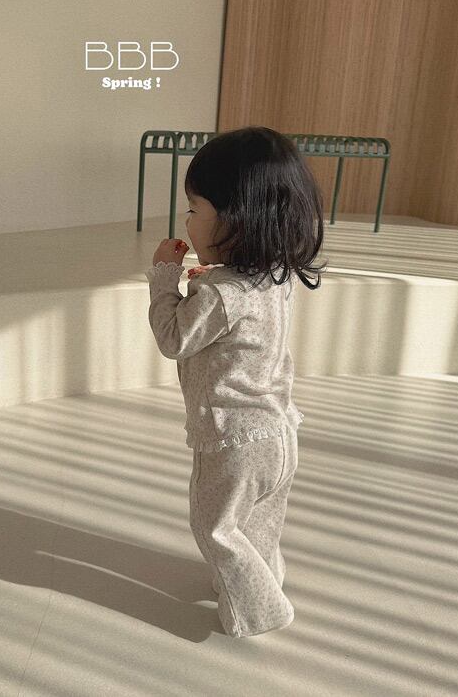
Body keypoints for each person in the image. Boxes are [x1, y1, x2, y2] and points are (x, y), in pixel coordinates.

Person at [145, 126, 327, 637]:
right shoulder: (275, 276)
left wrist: (164, 281)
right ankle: (264, 581)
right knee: (259, 521)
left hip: (233, 441)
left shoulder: (218, 296)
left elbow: (174, 338)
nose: (187, 221)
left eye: (195, 209)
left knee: (215, 527)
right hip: (279, 433)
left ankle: (260, 609)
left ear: (237, 218)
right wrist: (206, 283)